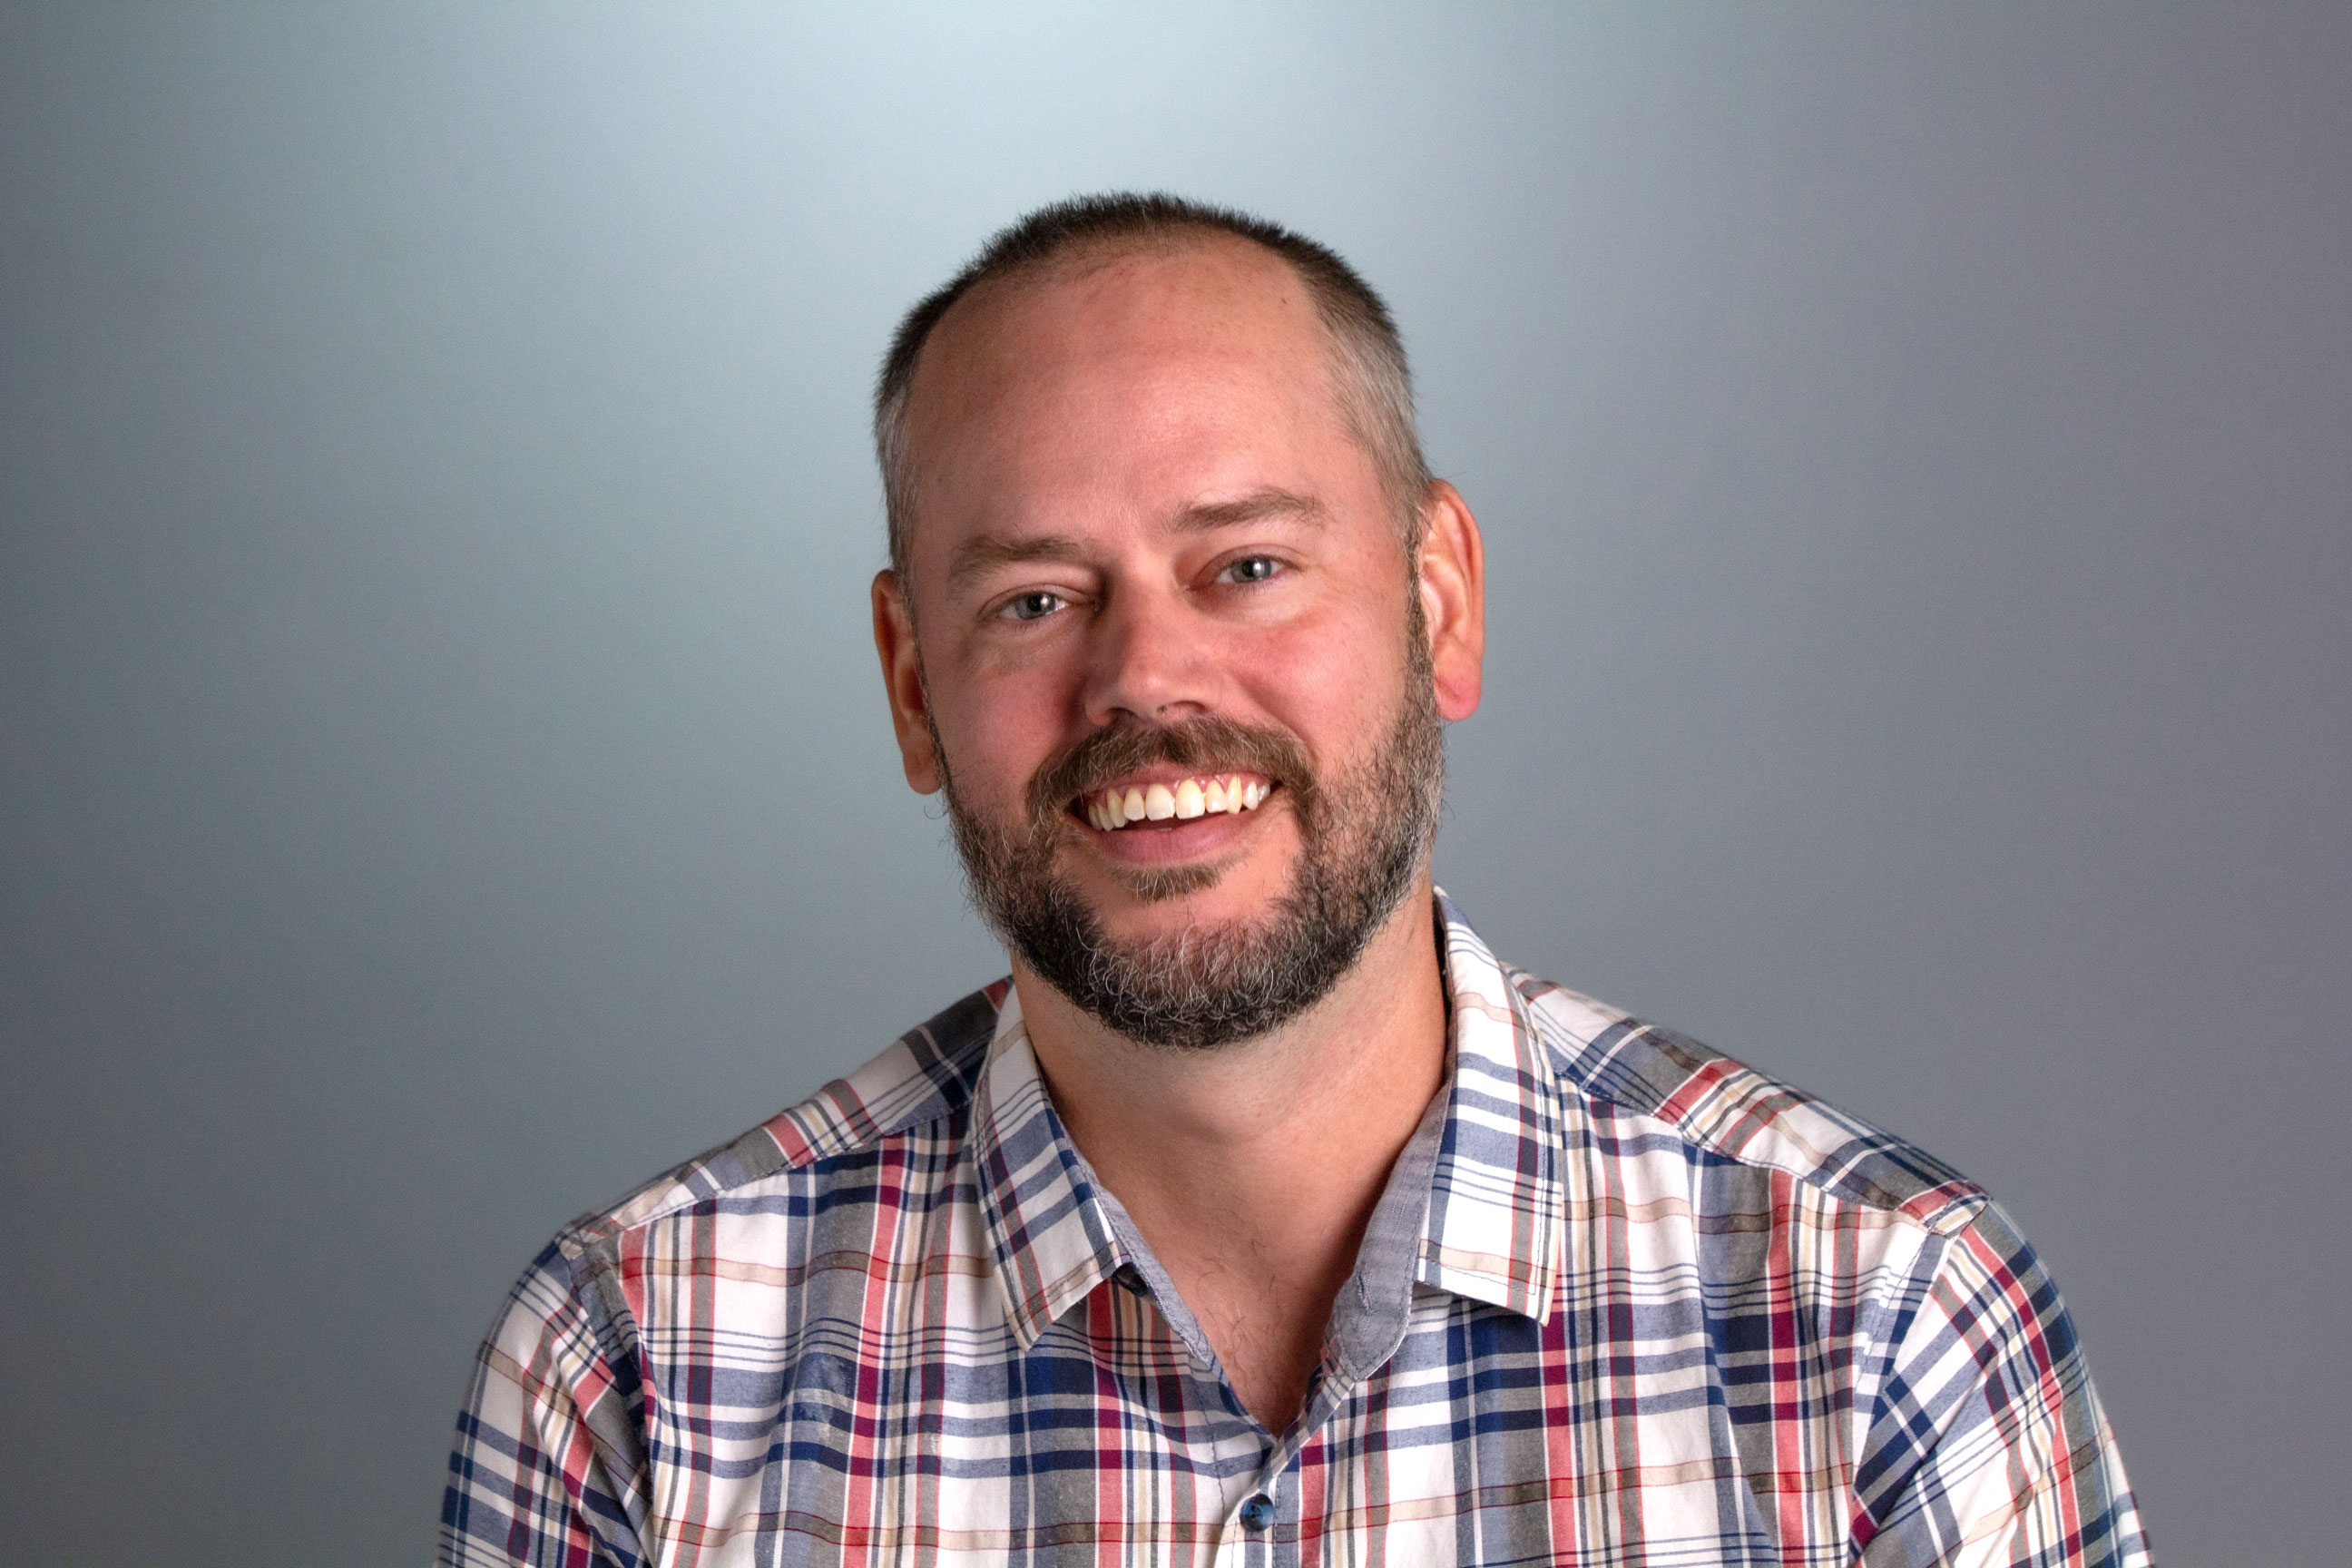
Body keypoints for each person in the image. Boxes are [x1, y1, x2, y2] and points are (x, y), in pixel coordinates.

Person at [439, 194, 2151, 1567]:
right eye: (1035, 599)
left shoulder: (1878, 1323)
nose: (1144, 679)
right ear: (909, 685)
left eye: (1247, 566)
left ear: (1442, 600)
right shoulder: (643, 1367)